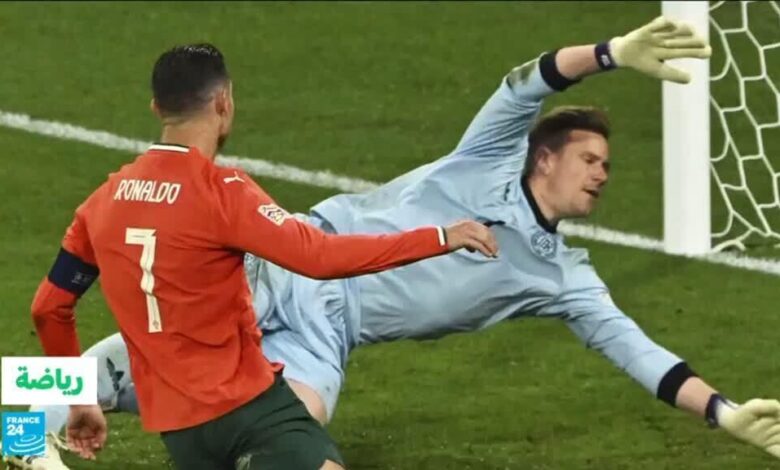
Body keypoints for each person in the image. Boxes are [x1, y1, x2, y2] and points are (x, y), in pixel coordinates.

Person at [10, 16, 780, 470]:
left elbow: (639, 352)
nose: (603, 174)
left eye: (607, 165)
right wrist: (610, 53)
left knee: (292, 422)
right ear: (544, 157)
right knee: (126, 366)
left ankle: (41, 413)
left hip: (330, 334)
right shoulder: (486, 156)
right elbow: (528, 80)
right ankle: (18, 418)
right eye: (590, 159)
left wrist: (723, 412)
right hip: (292, 260)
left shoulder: (563, 278)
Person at [20, 43, 498, 470]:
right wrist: (439, 236)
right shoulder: (221, 192)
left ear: (156, 108)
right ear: (224, 103)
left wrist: (78, 399)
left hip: (182, 435)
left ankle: (19, 442)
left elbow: (48, 307)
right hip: (250, 411)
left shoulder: (102, 203)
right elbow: (319, 257)